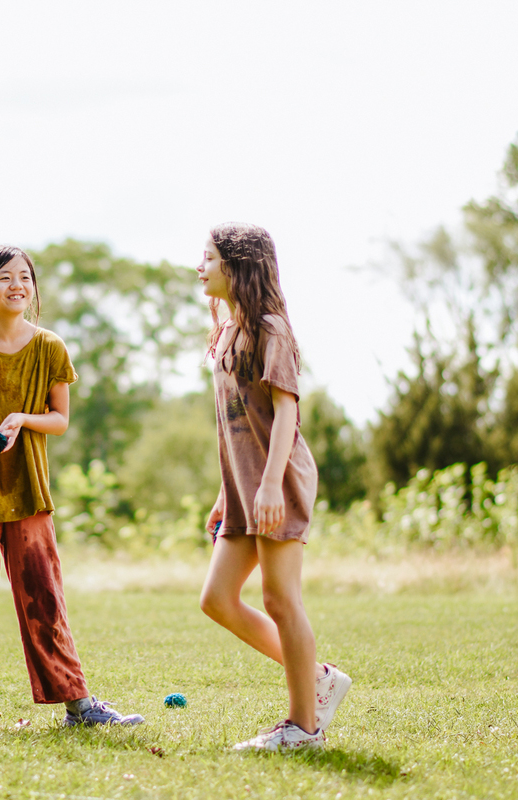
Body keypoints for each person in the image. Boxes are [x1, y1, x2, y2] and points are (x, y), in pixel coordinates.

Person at [0, 244, 144, 730]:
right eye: (4, 278)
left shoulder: (50, 347)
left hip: (28, 488)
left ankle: (78, 706)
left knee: (44, 594)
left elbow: (61, 420)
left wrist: (22, 420)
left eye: (25, 277)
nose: (17, 286)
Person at [195, 222, 351, 753]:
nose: (201, 267)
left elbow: (287, 412)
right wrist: (227, 492)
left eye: (209, 258)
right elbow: (231, 424)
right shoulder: (226, 331)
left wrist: (266, 487)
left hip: (276, 482)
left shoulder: (271, 328)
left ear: (237, 266)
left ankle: (303, 728)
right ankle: (319, 676)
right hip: (243, 487)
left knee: (280, 599)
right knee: (217, 599)